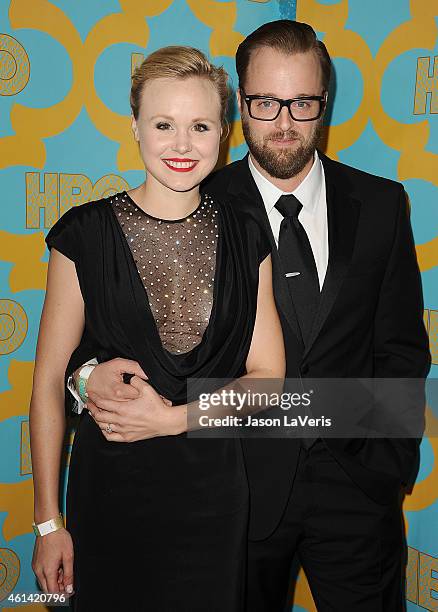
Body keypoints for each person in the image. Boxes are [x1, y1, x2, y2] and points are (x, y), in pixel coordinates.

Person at [68, 21, 431, 611]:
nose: (284, 122)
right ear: (240, 104)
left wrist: (389, 466)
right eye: (266, 102)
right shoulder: (193, 203)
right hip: (231, 490)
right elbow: (98, 340)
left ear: (324, 106)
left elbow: (403, 350)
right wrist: (84, 378)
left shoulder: (384, 205)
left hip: (358, 492)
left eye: (302, 103)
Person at [29, 46, 285, 612]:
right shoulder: (84, 234)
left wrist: (173, 419)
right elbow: (48, 381)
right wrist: (48, 523)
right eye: (163, 124)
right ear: (135, 128)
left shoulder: (248, 237)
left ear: (224, 134)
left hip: (213, 502)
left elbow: (269, 378)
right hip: (110, 498)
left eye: (199, 125)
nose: (181, 144)